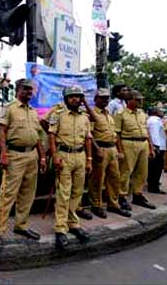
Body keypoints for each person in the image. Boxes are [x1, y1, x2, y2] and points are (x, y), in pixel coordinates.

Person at [0, 79, 47, 252]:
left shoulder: (32, 111)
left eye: (31, 90)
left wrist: (42, 157)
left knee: (28, 193)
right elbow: (2, 131)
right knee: (8, 194)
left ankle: (21, 225)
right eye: (26, 89)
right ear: (18, 90)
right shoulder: (10, 108)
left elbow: (37, 136)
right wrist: (3, 154)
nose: (29, 93)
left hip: (32, 156)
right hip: (14, 155)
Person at [48, 85, 93, 249]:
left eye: (78, 96)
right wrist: (55, 157)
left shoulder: (85, 118)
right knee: (64, 192)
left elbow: (88, 139)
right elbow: (51, 136)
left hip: (80, 156)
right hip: (64, 156)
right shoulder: (57, 115)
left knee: (77, 192)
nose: (75, 99)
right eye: (71, 96)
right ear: (66, 99)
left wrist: (89, 159)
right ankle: (60, 228)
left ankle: (73, 224)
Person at [88, 88, 131, 219]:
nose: (105, 100)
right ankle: (96, 205)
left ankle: (113, 204)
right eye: (102, 98)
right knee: (98, 180)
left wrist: (119, 150)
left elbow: (115, 134)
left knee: (114, 178)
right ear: (95, 99)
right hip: (100, 149)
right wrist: (96, 150)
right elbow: (88, 135)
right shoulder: (91, 114)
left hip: (112, 149)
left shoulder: (108, 114)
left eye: (107, 98)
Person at [114, 90, 156, 210]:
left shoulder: (142, 113)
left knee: (142, 172)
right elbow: (117, 134)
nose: (140, 101)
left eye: (140, 99)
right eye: (137, 100)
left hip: (143, 143)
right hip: (128, 143)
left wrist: (151, 147)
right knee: (126, 171)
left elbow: (146, 131)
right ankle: (122, 196)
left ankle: (138, 195)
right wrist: (120, 150)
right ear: (129, 100)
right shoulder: (121, 114)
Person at [147, 107, 166, 194]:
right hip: (158, 147)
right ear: (155, 112)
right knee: (156, 168)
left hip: (157, 146)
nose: (162, 112)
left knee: (154, 168)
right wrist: (156, 147)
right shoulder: (155, 121)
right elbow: (154, 135)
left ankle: (153, 185)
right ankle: (153, 187)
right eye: (160, 110)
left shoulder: (153, 120)